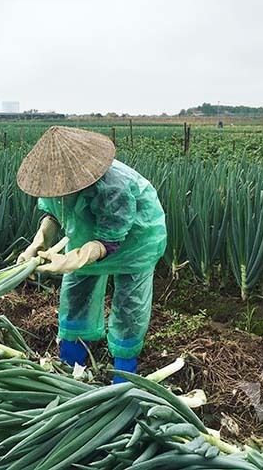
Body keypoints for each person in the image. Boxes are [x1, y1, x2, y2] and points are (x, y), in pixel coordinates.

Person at [16, 126, 166, 383]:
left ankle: (123, 373)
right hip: (86, 235)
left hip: (137, 239)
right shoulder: (52, 178)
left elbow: (110, 239)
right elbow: (54, 213)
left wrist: (74, 259)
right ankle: (71, 361)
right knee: (76, 293)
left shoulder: (112, 186)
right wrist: (40, 240)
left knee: (130, 303)